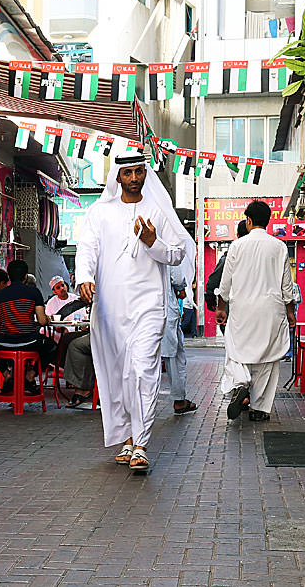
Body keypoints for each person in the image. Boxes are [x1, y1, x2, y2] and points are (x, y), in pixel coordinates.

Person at [76, 151, 195, 471]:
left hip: (149, 306)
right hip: (110, 309)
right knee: (118, 374)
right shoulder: (99, 212)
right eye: (127, 173)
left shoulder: (157, 209)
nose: (133, 178)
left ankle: (141, 444)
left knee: (142, 369)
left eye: (138, 172)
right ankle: (127, 437)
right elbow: (87, 248)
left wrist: (154, 242)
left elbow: (176, 254)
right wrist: (85, 277)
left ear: (145, 174)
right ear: (117, 176)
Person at [216, 201, 295, 422]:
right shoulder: (278, 246)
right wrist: (290, 312)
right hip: (271, 309)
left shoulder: (237, 246)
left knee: (236, 350)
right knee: (268, 359)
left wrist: (222, 308)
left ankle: (240, 382)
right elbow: (286, 286)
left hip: (242, 309)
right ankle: (260, 408)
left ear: (248, 221)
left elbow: (225, 283)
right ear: (268, 222)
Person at [0, 260, 56, 395]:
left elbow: (2, 319)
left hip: (4, 342)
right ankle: (30, 375)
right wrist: (46, 318)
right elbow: (42, 321)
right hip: (28, 342)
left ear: (8, 276)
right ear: (25, 276)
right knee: (52, 346)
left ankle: (7, 375)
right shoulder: (34, 292)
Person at [164, 265, 197, 416]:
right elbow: (176, 276)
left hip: (135, 310)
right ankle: (179, 400)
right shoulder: (166, 242)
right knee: (174, 357)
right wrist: (181, 288)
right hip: (163, 308)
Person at [205, 220, 249, 333]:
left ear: (238, 235)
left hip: (232, 311)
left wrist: (212, 302)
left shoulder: (228, 258)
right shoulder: (265, 256)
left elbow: (213, 283)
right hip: (257, 311)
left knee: (233, 345)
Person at [62, 333, 96, 408]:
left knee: (75, 346)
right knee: (67, 338)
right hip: (102, 333)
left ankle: (83, 388)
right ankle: (84, 385)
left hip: (108, 337)